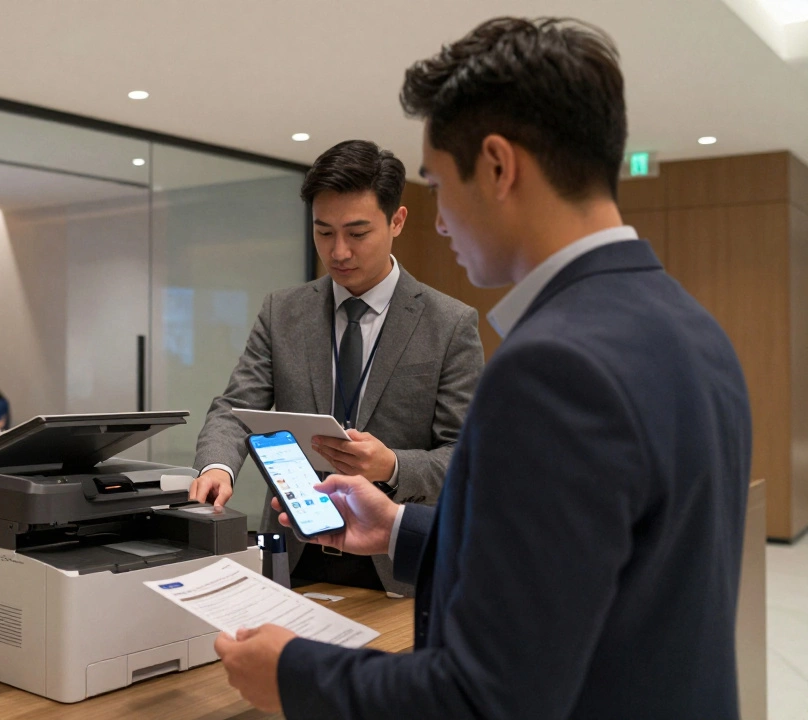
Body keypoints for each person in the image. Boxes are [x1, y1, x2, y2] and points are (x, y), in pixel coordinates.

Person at [214, 18, 752, 719]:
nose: (440, 221)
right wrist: (405, 529)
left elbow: (483, 699)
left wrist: (292, 674)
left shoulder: (555, 367)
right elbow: (595, 565)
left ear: (498, 166)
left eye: (440, 182)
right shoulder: (693, 328)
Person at [189, 139, 483, 595]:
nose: (338, 251)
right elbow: (234, 407)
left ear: (397, 221)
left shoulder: (449, 324)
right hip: (293, 552)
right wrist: (217, 468)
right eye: (324, 232)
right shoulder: (283, 311)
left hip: (393, 565)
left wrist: (391, 465)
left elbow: (463, 457)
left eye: (357, 233)